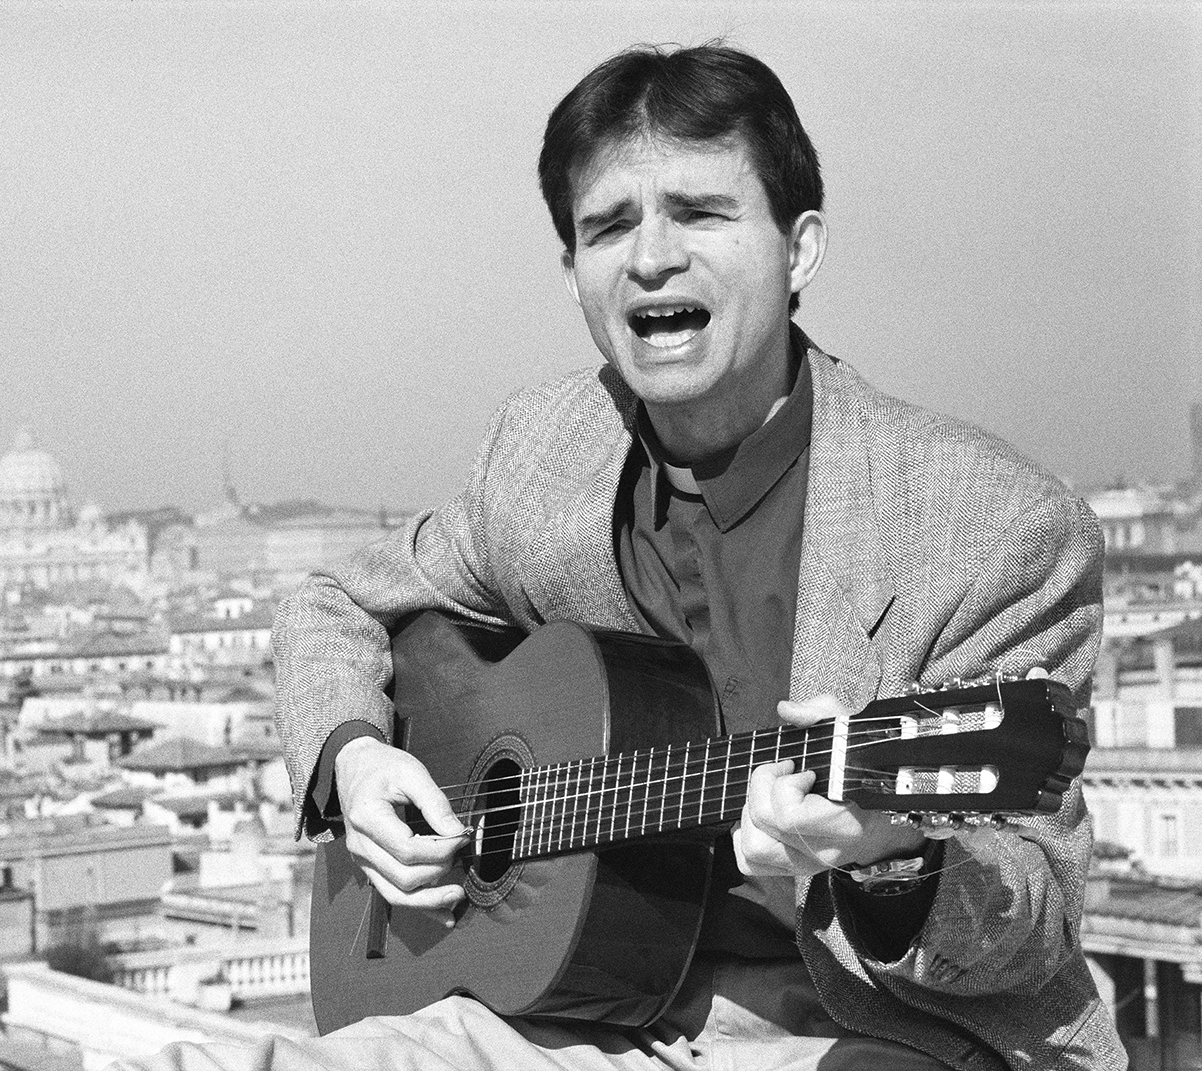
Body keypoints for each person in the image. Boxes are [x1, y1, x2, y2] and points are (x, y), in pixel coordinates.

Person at [145, 43, 1125, 1071]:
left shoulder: (991, 522)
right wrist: (354, 758)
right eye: (609, 226)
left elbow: (1036, 911)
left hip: (867, 1033)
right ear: (573, 274)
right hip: (551, 1015)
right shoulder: (545, 451)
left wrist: (890, 858)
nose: (651, 257)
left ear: (799, 249)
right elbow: (335, 605)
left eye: (700, 212)